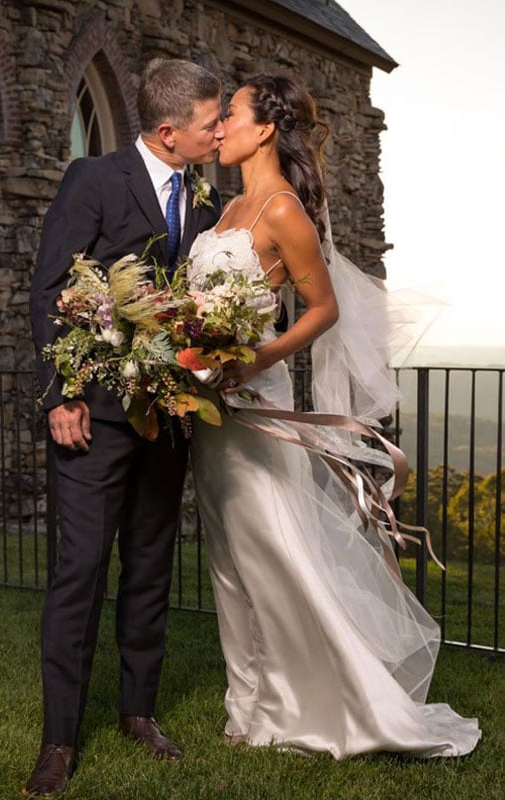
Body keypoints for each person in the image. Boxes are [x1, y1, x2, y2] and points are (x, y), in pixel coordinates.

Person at [187, 74, 481, 758]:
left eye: (229, 113)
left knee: (280, 554)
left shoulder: (283, 211)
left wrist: (255, 362)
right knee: (231, 563)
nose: (220, 125)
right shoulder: (228, 210)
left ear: (263, 128)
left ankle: (334, 702)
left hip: (256, 406)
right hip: (212, 415)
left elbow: (325, 311)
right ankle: (249, 707)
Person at [26, 59, 224, 796]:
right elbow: (49, 289)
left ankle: (139, 714)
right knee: (79, 575)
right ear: (169, 133)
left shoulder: (205, 196)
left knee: (149, 570)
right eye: (211, 123)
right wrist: (59, 397)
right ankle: (58, 741)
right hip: (94, 419)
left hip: (166, 421)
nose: (221, 132)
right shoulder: (94, 180)